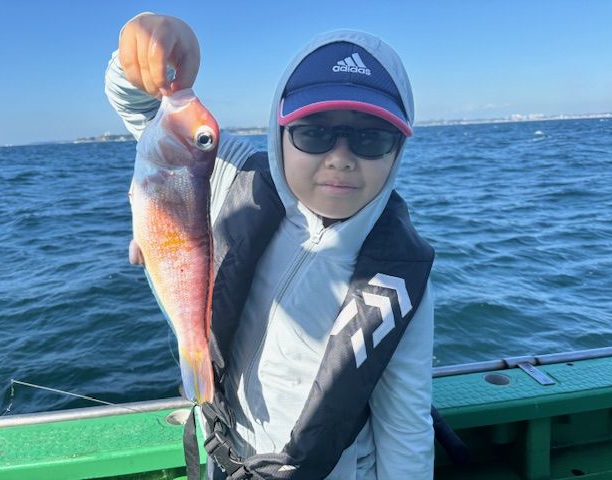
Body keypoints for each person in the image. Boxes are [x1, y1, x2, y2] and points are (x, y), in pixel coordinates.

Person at [105, 13, 435, 480]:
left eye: (372, 138)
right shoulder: (230, 175)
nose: (340, 158)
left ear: (398, 150)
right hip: (225, 459)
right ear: (278, 134)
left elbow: (405, 426)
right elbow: (141, 107)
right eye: (313, 132)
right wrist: (144, 50)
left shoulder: (399, 280)